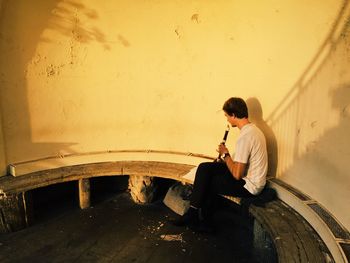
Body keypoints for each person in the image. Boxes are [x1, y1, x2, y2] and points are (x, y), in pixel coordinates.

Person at [172, 97, 268, 232]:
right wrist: (224, 159)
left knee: (207, 182)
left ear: (234, 115)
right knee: (204, 168)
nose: (227, 119)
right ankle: (193, 214)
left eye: (227, 116)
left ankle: (204, 222)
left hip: (249, 186)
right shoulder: (253, 130)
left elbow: (237, 174)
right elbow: (240, 165)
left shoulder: (246, 137)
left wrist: (225, 154)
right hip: (249, 177)